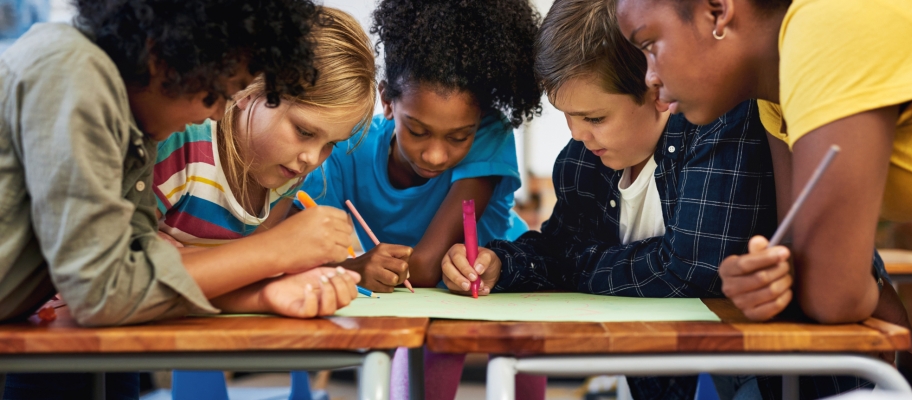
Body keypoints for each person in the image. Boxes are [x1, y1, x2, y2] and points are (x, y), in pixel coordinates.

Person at [0, 0, 355, 397]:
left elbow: (136, 270)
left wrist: (263, 294)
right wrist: (275, 250)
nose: (218, 113)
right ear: (165, 55)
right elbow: (102, 290)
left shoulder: (132, 119)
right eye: (218, 92)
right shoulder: (72, 75)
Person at [441, 0, 775, 398]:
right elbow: (557, 249)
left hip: (762, 372)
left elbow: (691, 268)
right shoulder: (582, 161)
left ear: (656, 87)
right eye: (566, 116)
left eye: (595, 118)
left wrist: (576, 265)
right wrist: (500, 263)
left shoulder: (718, 123)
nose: (578, 134)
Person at [614, 0, 912, 397]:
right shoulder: (773, 100)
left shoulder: (832, 24)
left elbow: (834, 296)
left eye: (649, 46)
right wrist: (766, 281)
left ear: (717, 11)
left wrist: (846, 285)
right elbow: (799, 252)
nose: (650, 77)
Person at [295, 0, 543, 398]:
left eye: (459, 137)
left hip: (502, 286)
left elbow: (427, 266)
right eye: (418, 130)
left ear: (477, 126)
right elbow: (308, 258)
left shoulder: (491, 134)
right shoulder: (344, 148)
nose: (436, 155)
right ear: (387, 102)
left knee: (519, 364)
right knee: (417, 360)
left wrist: (354, 269)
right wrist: (351, 266)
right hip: (418, 298)